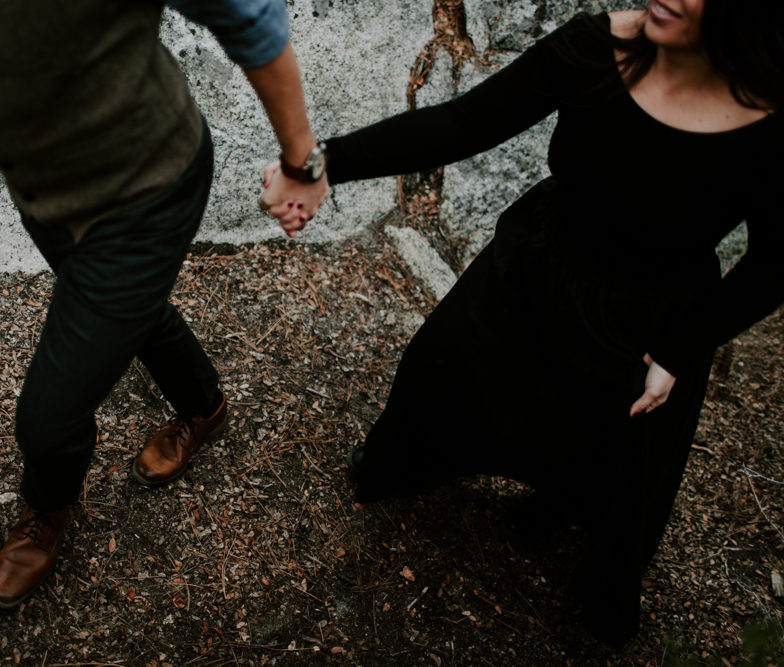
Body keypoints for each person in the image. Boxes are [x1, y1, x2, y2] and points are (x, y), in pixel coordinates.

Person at [265, 0, 782, 646]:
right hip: (541, 262)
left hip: (650, 322)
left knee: (616, 466)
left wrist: (681, 348)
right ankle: (415, 460)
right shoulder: (599, 46)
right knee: (438, 370)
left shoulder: (770, 122)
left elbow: (774, 264)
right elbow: (461, 122)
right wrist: (319, 165)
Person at [0, 0, 329, 609]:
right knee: (132, 311)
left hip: (151, 187)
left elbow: (246, 13)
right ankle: (205, 405)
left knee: (47, 421)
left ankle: (46, 510)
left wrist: (301, 162)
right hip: (43, 193)